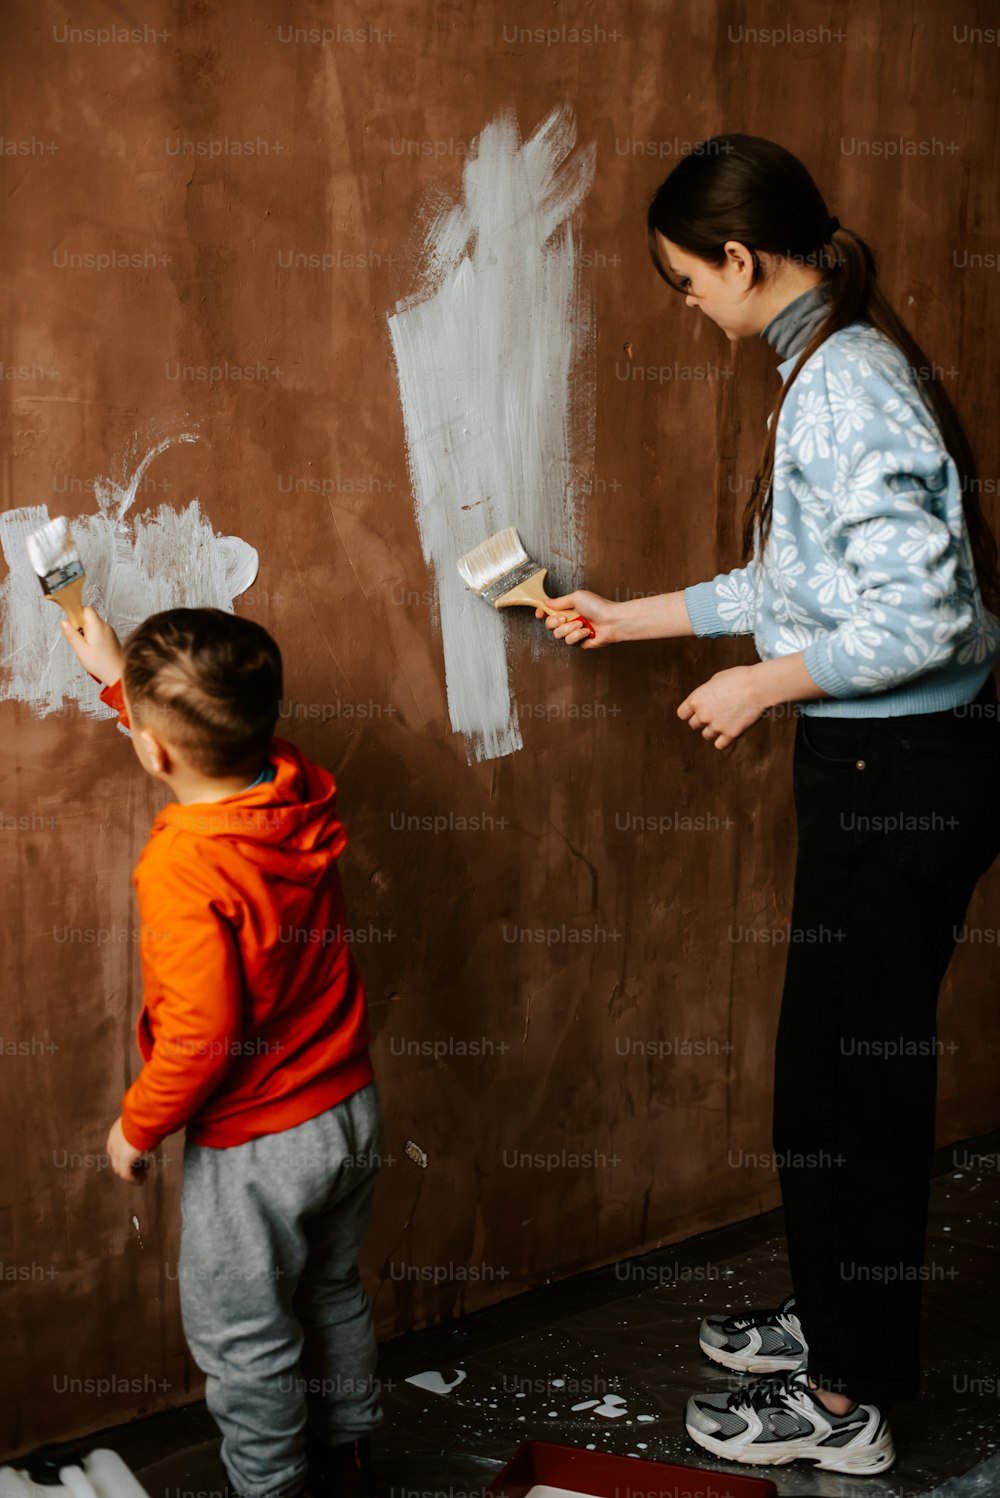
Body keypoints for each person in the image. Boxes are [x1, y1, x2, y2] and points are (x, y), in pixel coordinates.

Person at [539, 133, 1000, 1475]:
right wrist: (631, 618)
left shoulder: (844, 384)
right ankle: (839, 1318)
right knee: (823, 1081)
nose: (684, 304)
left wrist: (760, 686)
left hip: (904, 772)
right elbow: (803, 580)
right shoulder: (827, 356)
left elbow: (925, 613)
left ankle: (850, 1405)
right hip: (884, 761)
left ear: (741, 258)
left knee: (851, 1093)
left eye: (686, 280)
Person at [61, 605, 383, 1498]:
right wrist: (122, 677)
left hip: (260, 1146)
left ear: (157, 755)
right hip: (350, 1109)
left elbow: (201, 1038)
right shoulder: (299, 788)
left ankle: (270, 1489)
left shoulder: (184, 871)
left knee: (244, 1338)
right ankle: (352, 1457)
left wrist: (137, 1126)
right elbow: (218, 748)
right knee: (329, 1289)